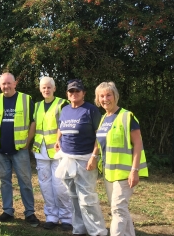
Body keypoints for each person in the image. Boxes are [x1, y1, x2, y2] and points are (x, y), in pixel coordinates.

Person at [95, 82, 148, 236]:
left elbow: (138, 144)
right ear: (98, 99)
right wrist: (94, 156)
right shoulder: (104, 118)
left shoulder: (127, 116)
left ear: (115, 96)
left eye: (108, 95)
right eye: (102, 96)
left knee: (117, 209)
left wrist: (134, 170)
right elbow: (100, 143)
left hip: (125, 173)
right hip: (109, 173)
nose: (105, 99)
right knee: (120, 208)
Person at [0, 73, 40, 226]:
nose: (6, 86)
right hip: (1, 149)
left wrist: (27, 142)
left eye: (9, 83)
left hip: (20, 149)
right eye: (3, 84)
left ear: (15, 84)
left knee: (25, 181)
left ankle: (30, 213)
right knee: (4, 181)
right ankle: (7, 211)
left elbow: (33, 123)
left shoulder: (26, 99)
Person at [55, 79, 107, 236]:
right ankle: (79, 229)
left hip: (85, 160)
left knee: (87, 199)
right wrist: (58, 140)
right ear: (67, 94)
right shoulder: (64, 110)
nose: (74, 94)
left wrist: (94, 156)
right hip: (67, 159)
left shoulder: (90, 110)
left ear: (84, 93)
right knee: (73, 197)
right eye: (71, 91)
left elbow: (100, 135)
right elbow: (61, 128)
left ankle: (97, 232)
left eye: (77, 91)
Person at [33, 77, 72, 231]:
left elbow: (66, 125)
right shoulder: (37, 106)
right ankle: (51, 216)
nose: (46, 90)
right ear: (40, 89)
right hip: (40, 150)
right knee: (45, 185)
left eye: (49, 87)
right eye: (43, 87)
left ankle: (67, 217)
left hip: (57, 151)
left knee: (60, 185)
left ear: (54, 89)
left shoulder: (62, 104)